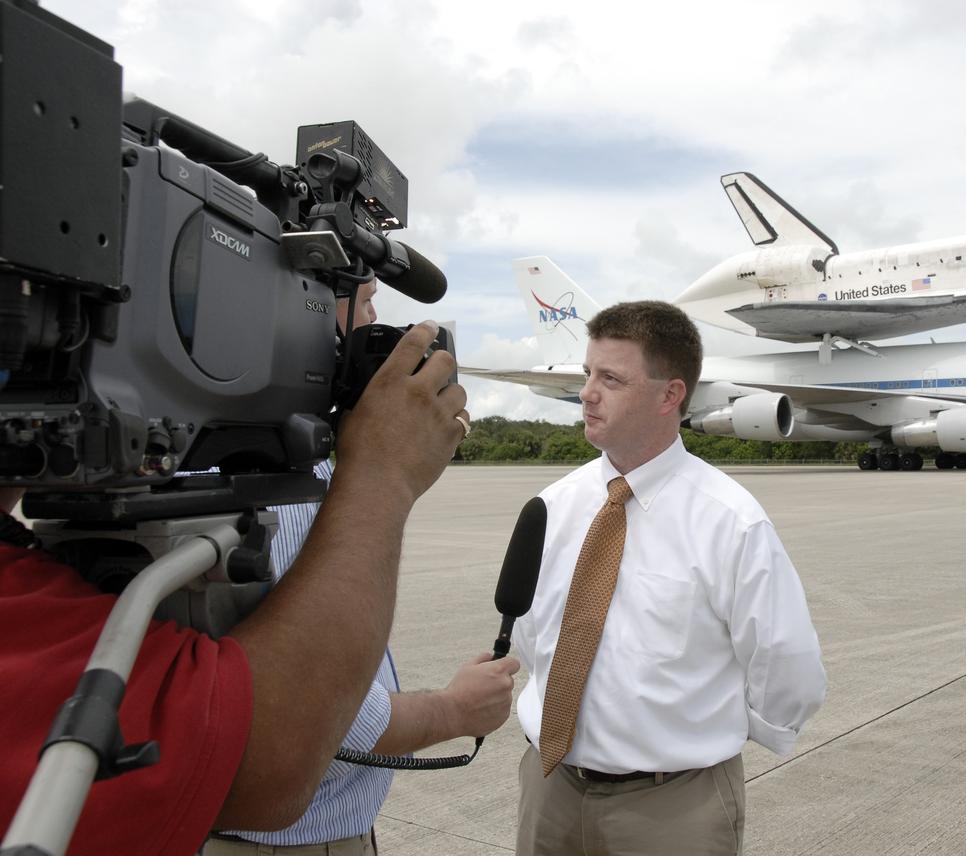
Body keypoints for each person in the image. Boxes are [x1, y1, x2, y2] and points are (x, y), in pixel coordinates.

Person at [0, 320, 469, 856]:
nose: (369, 329)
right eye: (356, 302)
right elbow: (268, 754)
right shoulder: (222, 460)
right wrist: (384, 476)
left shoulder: (290, 459)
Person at [207, 280, 520, 855]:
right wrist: (453, 709)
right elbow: (312, 721)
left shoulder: (299, 460)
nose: (377, 318)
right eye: (363, 297)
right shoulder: (251, 474)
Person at [511, 301, 826, 856]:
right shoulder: (552, 505)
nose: (587, 392)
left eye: (610, 378)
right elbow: (535, 641)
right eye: (587, 373)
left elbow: (786, 663)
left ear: (669, 395)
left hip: (674, 808)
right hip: (550, 790)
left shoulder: (730, 520)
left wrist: (701, 729)